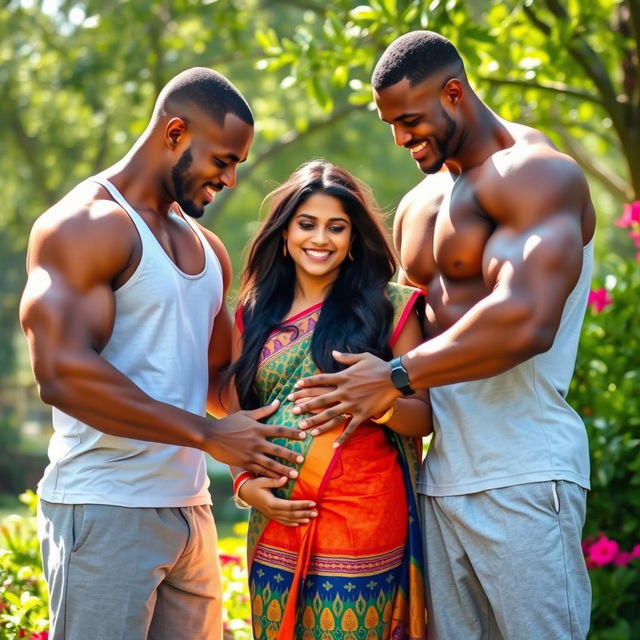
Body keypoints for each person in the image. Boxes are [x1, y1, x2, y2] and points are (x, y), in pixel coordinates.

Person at [287, 32, 596, 639]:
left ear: (453, 93)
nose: (400, 139)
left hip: (524, 473)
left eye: (409, 120)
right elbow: (391, 330)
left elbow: (528, 321)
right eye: (390, 126)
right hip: (437, 481)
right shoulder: (420, 204)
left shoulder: (536, 175)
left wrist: (396, 376)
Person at [19, 67, 306, 640]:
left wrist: (307, 393)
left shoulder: (207, 247)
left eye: (236, 166)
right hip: (105, 507)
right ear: (175, 132)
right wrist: (207, 434)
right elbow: (62, 373)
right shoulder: (86, 225)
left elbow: (219, 380)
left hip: (189, 508)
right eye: (221, 160)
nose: (228, 179)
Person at [226, 160, 432, 639]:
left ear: (354, 237)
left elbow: (424, 417)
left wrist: (378, 402)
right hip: (276, 516)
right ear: (283, 233)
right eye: (307, 224)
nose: (320, 239)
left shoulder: (389, 307)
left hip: (364, 518)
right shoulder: (254, 314)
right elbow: (237, 415)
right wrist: (243, 486)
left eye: (336, 227)